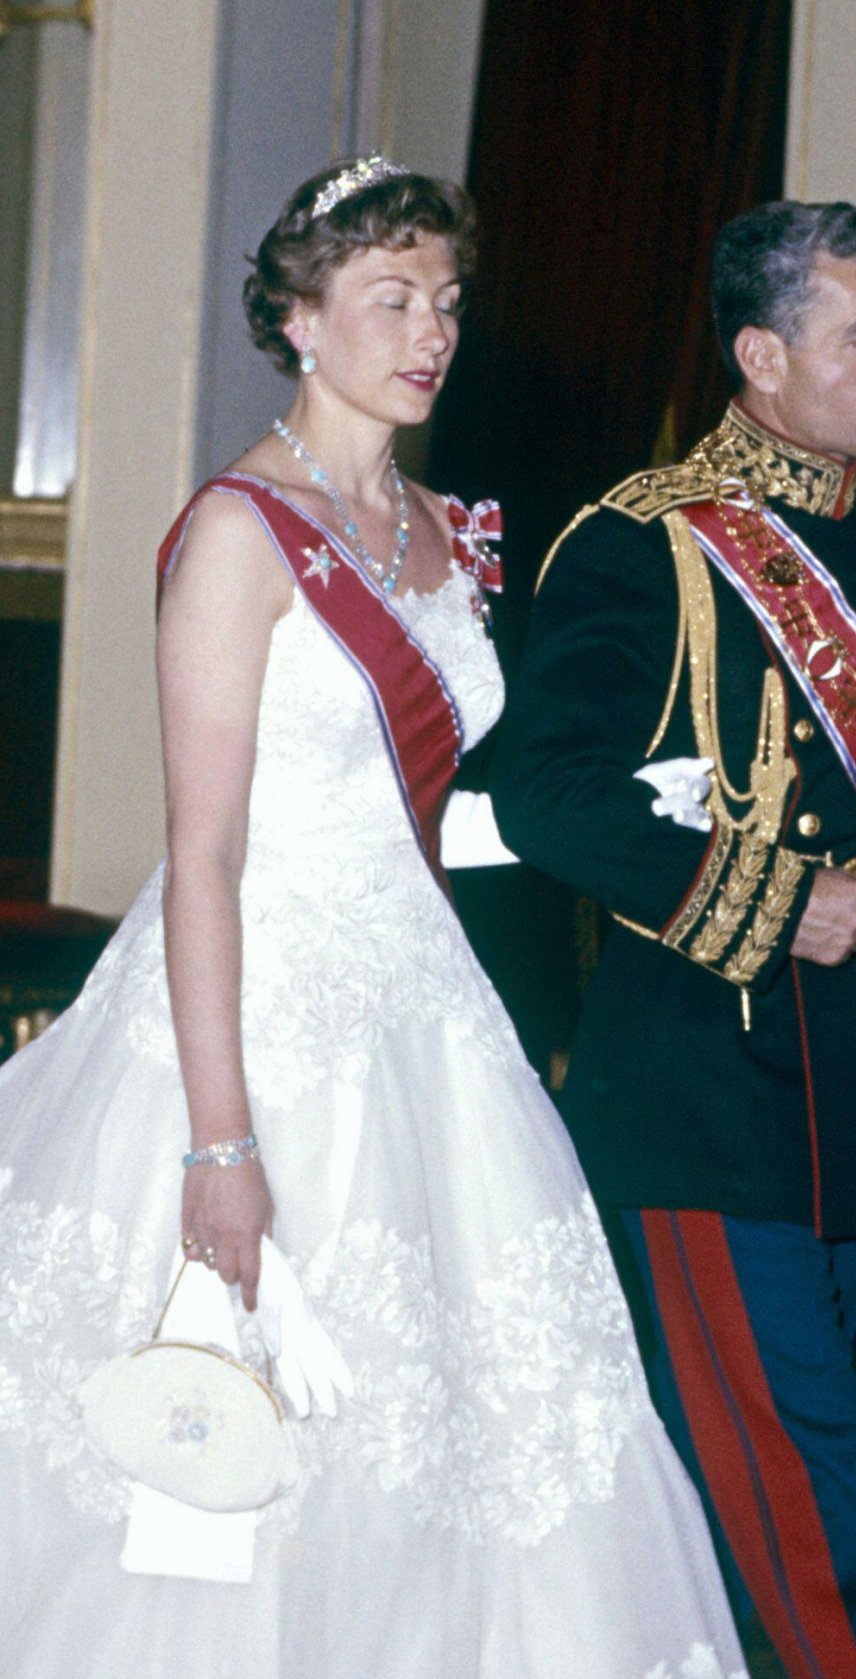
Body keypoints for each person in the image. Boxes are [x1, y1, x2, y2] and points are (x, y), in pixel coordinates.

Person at [0, 158, 749, 1679]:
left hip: (427, 1011)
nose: (431, 332)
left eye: (448, 301)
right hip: (251, 1023)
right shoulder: (241, 534)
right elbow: (206, 852)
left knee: (469, 1438)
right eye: (391, 298)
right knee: (229, 1444)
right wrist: (221, 1142)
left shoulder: (428, 527)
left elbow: (416, 808)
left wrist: (650, 807)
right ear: (297, 316)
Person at [490, 200, 856, 1679]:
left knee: (762, 1491)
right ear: (762, 354)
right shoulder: (643, 544)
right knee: (805, 1513)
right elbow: (543, 796)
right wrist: (766, 897)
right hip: (703, 1092)